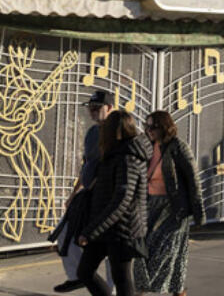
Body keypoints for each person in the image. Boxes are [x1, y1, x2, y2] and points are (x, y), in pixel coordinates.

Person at [76, 110, 150, 296]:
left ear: (114, 132)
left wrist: (93, 230)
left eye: (105, 129)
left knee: (122, 279)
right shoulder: (114, 154)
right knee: (85, 271)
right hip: (106, 227)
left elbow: (121, 200)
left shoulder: (128, 158)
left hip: (123, 230)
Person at [135, 111, 205, 296]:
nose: (148, 130)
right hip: (150, 206)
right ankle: (167, 290)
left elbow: (193, 180)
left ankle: (174, 291)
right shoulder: (149, 147)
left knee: (166, 254)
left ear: (165, 127)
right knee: (142, 254)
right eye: (146, 126)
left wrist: (198, 213)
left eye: (153, 127)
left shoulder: (178, 147)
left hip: (173, 209)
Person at [52, 89, 114, 294]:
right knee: (65, 232)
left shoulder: (119, 132)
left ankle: (114, 290)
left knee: (110, 245)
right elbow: (86, 165)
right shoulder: (92, 133)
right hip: (87, 194)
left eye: (97, 108)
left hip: (107, 197)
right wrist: (73, 194)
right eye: (90, 108)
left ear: (110, 108)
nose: (92, 112)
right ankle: (76, 276)